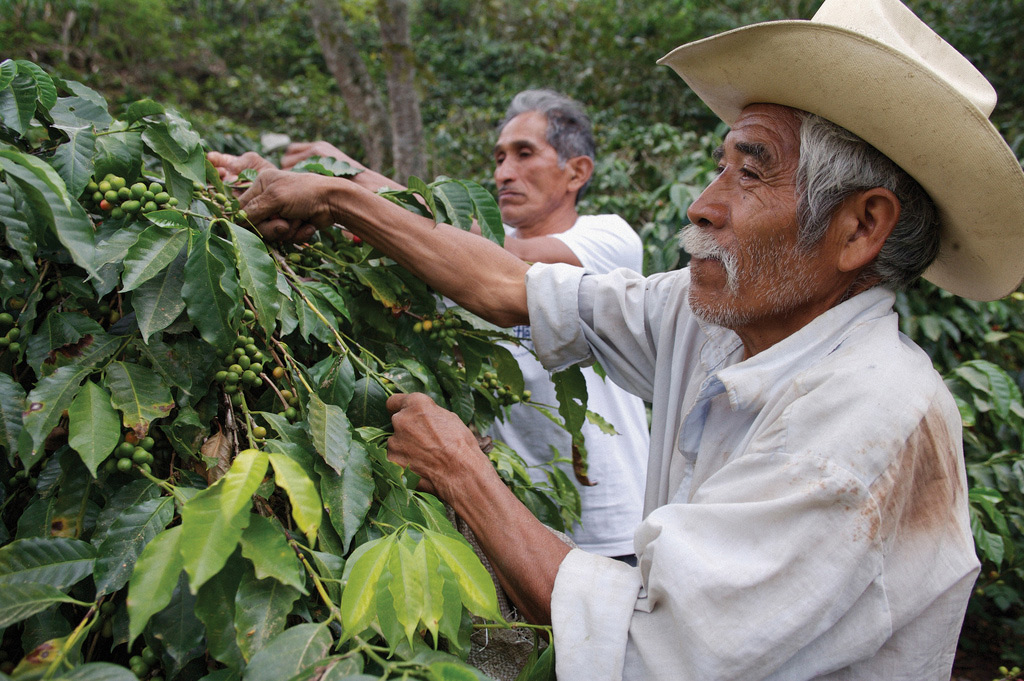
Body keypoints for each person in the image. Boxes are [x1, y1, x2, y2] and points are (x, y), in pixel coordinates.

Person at [211, 0, 1024, 677]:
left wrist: (461, 468)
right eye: (719, 167)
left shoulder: (862, 424)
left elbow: (647, 651)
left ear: (860, 228)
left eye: (749, 170)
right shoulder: (716, 320)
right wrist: (341, 200)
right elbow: (508, 286)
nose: (702, 206)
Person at [215, 90, 651, 561]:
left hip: (619, 526)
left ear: (577, 172)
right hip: (520, 530)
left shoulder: (607, 239)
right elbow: (399, 239)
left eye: (525, 154)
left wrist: (343, 175)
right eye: (500, 157)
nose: (504, 173)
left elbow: (502, 262)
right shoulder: (451, 266)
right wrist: (269, 187)